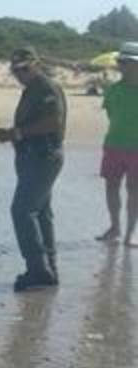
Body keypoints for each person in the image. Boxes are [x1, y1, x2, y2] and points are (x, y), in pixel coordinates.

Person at [0, 47, 66, 293]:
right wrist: (14, 137)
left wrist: (17, 133)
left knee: (22, 210)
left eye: (24, 69)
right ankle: (48, 268)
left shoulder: (46, 88)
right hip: (32, 157)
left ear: (36, 64)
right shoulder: (31, 90)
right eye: (15, 70)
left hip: (43, 157)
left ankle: (37, 269)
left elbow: (52, 122)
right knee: (41, 213)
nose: (19, 74)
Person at [95, 42, 138, 248]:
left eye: (126, 62)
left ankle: (130, 233)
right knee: (111, 187)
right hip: (113, 145)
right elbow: (112, 115)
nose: (121, 65)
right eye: (120, 62)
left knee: (134, 190)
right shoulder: (112, 90)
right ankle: (115, 228)